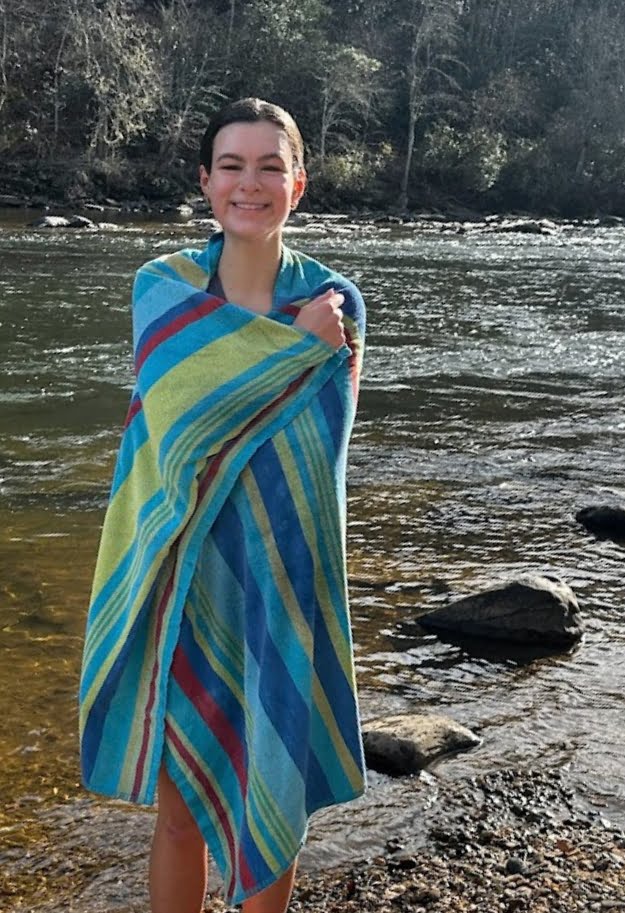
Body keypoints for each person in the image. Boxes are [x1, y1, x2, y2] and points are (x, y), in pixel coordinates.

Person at [79, 97, 367, 913]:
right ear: (206, 183)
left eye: (270, 166)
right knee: (178, 813)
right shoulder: (163, 290)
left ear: (298, 184)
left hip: (282, 576)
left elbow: (318, 459)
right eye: (232, 166)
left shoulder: (336, 302)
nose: (251, 183)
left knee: (268, 799)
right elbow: (176, 434)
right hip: (178, 573)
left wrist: (311, 347)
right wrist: (296, 351)